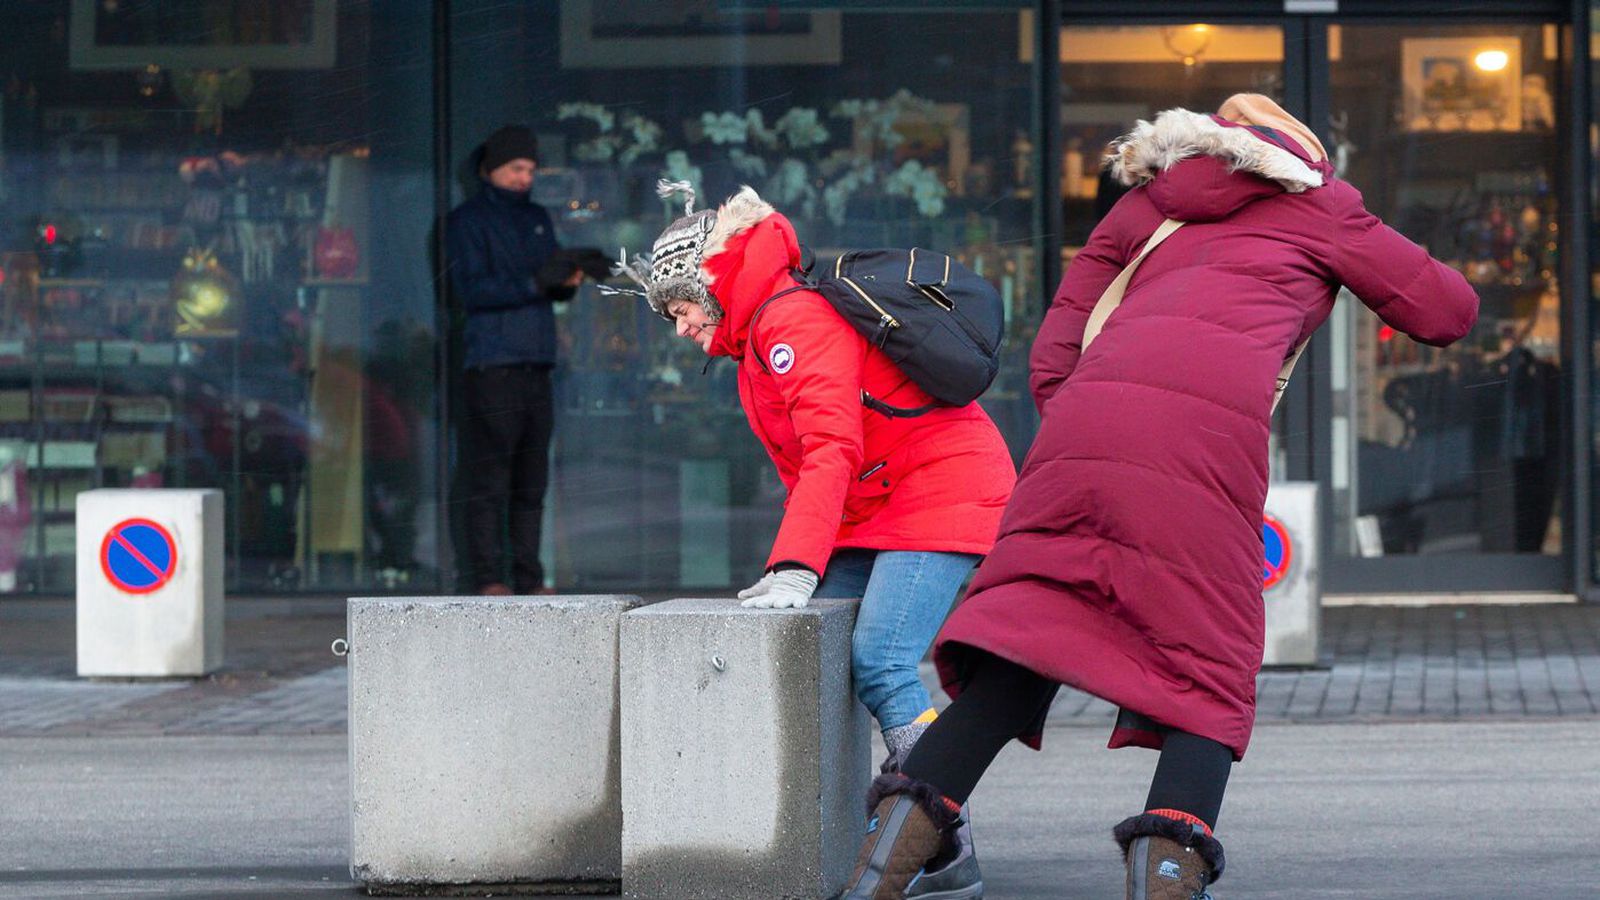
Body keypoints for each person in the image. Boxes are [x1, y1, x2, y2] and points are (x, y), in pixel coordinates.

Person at [837, 94, 1479, 900]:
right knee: (1206, 669)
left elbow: (1057, 346)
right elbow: (1449, 311)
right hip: (1201, 450)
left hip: (1081, 432)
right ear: (1303, 156)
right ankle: (1166, 880)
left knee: (1025, 649)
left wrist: (1093, 426)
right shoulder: (1322, 204)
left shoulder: (1149, 201)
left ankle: (875, 874)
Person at [617, 180, 1016, 899]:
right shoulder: (758, 335)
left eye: (677, 309)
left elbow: (831, 447)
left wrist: (797, 564)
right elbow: (819, 462)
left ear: (707, 291)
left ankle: (942, 844)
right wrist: (797, 567)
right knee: (822, 654)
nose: (678, 329)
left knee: (882, 659)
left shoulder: (788, 320)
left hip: (941, 491)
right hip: (882, 504)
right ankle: (845, 838)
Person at [446, 125, 604, 596]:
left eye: (530, 170)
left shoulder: (536, 217)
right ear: (489, 169)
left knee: (530, 481)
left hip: (537, 362)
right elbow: (470, 291)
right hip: (492, 364)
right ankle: (489, 577)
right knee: (490, 477)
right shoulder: (467, 221)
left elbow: (544, 280)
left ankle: (530, 578)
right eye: (516, 168)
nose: (524, 177)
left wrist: (568, 278)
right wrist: (537, 283)